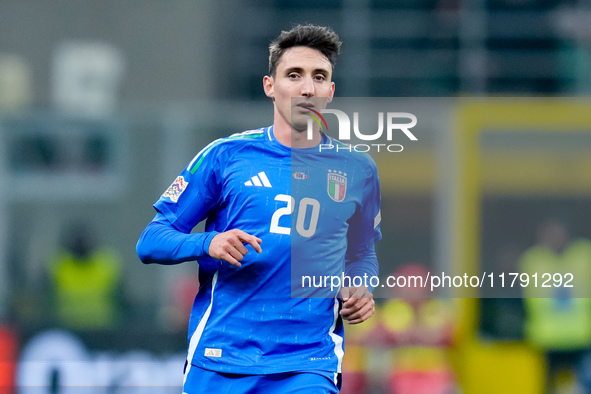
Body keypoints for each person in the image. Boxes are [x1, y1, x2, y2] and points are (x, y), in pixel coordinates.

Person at [137, 24, 381, 393]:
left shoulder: (358, 170)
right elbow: (151, 240)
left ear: (330, 92)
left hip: (307, 363)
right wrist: (208, 244)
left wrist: (360, 285)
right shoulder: (226, 156)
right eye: (294, 75)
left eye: (319, 77)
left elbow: (363, 252)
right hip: (221, 359)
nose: (307, 88)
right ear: (270, 85)